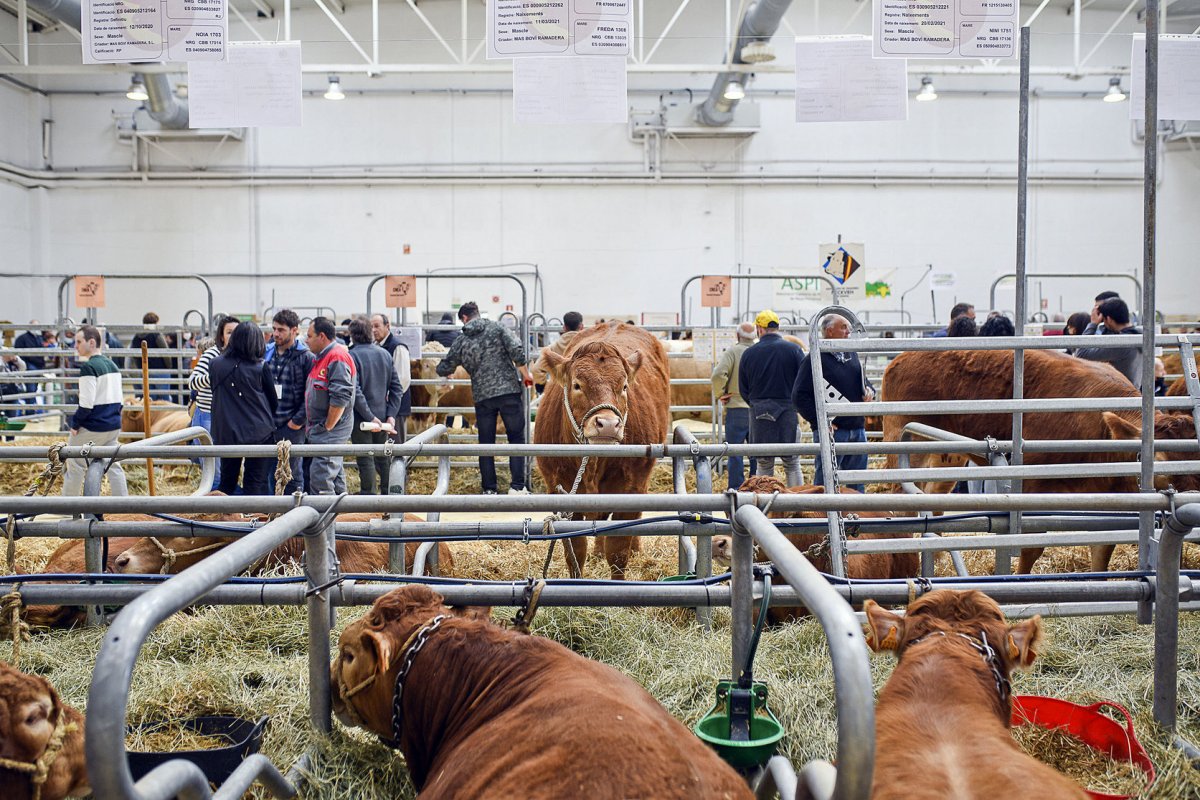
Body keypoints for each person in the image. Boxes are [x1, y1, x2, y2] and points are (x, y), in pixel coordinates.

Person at [436, 301, 533, 495]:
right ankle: (517, 487)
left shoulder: (462, 340)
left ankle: (489, 489)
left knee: (486, 442)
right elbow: (516, 351)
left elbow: (445, 367)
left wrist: (447, 373)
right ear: (477, 314)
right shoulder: (498, 328)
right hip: (509, 393)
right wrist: (526, 373)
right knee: (516, 439)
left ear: (464, 318)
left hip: (483, 397)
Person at [793, 315, 875, 493]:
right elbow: (799, 396)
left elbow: (864, 381)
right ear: (829, 331)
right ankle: (823, 517)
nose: (849, 332)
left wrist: (869, 392)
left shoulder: (851, 354)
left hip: (857, 428)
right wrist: (820, 421)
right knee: (827, 480)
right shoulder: (814, 359)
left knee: (857, 480)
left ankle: (856, 517)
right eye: (844, 327)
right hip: (833, 430)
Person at [209, 322, 278, 496]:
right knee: (255, 482)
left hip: (226, 432)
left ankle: (224, 520)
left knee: (226, 481)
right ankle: (252, 520)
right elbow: (273, 400)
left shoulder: (215, 365)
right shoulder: (261, 367)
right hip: (258, 432)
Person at [737, 309, 805, 486]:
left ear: (759, 328)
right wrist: (795, 404)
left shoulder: (749, 354)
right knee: (792, 463)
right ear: (777, 327)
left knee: (764, 463)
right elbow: (803, 382)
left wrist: (755, 403)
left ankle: (765, 504)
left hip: (760, 411)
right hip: (788, 411)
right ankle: (798, 504)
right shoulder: (794, 350)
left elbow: (743, 389)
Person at [62, 325, 127, 497]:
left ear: (91, 342)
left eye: (78, 341)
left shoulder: (88, 368)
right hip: (113, 425)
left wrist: (74, 424)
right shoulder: (113, 365)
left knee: (75, 463)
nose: (75, 345)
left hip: (93, 426)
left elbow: (86, 404)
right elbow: (120, 401)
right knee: (113, 464)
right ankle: (125, 506)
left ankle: (69, 510)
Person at [349, 318, 404, 495]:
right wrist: (391, 415)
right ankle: (390, 494)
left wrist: (368, 416)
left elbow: (355, 391)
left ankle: (369, 495)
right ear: (369, 332)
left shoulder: (352, 356)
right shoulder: (384, 354)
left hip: (361, 418)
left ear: (352, 335)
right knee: (383, 457)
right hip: (383, 416)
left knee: (365, 457)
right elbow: (397, 387)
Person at [265, 309, 315, 494]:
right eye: (274, 329)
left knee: (292, 472)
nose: (276, 333)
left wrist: (297, 421)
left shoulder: (305, 357)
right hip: (269, 423)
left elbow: (309, 395)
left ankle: (294, 514)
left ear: (295, 330)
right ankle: (273, 513)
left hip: (292, 425)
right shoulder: (267, 354)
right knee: (270, 471)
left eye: (281, 330)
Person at [305, 317, 357, 494]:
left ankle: (324, 520)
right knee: (334, 474)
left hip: (330, 429)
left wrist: (328, 426)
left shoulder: (336, 357)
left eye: (309, 336)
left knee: (322, 477)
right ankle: (340, 517)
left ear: (321, 336)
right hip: (326, 428)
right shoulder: (323, 357)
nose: (306, 340)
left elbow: (341, 395)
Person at [189, 316, 238, 490]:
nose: (233, 336)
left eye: (236, 332)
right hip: (208, 414)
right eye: (229, 332)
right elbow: (193, 382)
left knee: (225, 468)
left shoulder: (241, 356)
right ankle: (213, 513)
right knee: (214, 471)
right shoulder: (212, 354)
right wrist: (215, 376)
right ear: (222, 335)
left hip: (229, 417)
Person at [711, 322, 757, 490]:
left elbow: (718, 374)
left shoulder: (732, 352)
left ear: (737, 336)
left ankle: (737, 488)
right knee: (757, 452)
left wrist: (720, 394)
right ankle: (756, 485)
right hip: (757, 409)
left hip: (736, 408)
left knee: (735, 452)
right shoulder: (758, 352)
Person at [1073, 297, 1143, 388]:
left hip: (1119, 394)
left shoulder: (1121, 343)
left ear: (1109, 319)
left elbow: (1081, 354)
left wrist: (1093, 324)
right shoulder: (1139, 335)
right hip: (1134, 392)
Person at [370, 313, 413, 443]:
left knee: (396, 444)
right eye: (371, 327)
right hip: (381, 405)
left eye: (377, 326)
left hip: (396, 406)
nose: (373, 330)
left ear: (387, 326)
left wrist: (390, 397)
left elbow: (403, 379)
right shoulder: (375, 347)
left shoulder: (398, 347)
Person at [530, 310, 583, 391]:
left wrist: (541, 386)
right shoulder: (588, 347)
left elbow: (536, 370)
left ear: (564, 327)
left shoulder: (553, 348)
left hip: (558, 392)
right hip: (582, 392)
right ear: (581, 326)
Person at [127, 312, 172, 401]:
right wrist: (168, 367)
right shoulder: (156, 335)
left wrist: (141, 367)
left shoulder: (136, 337)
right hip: (160, 370)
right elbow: (166, 352)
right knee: (164, 398)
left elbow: (134, 355)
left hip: (145, 371)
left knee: (150, 398)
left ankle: (152, 415)